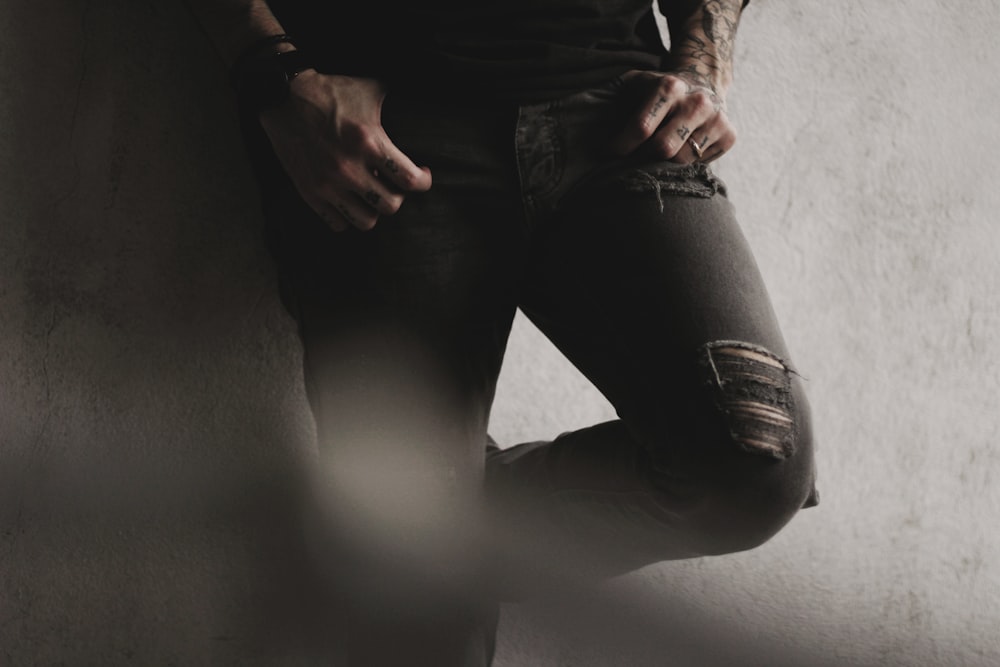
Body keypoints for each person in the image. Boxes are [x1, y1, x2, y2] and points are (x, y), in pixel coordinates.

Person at [186, 1, 819, 664]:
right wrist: (276, 79)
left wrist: (702, 64)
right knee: (414, 627)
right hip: (385, 125)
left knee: (753, 460)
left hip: (622, 114)